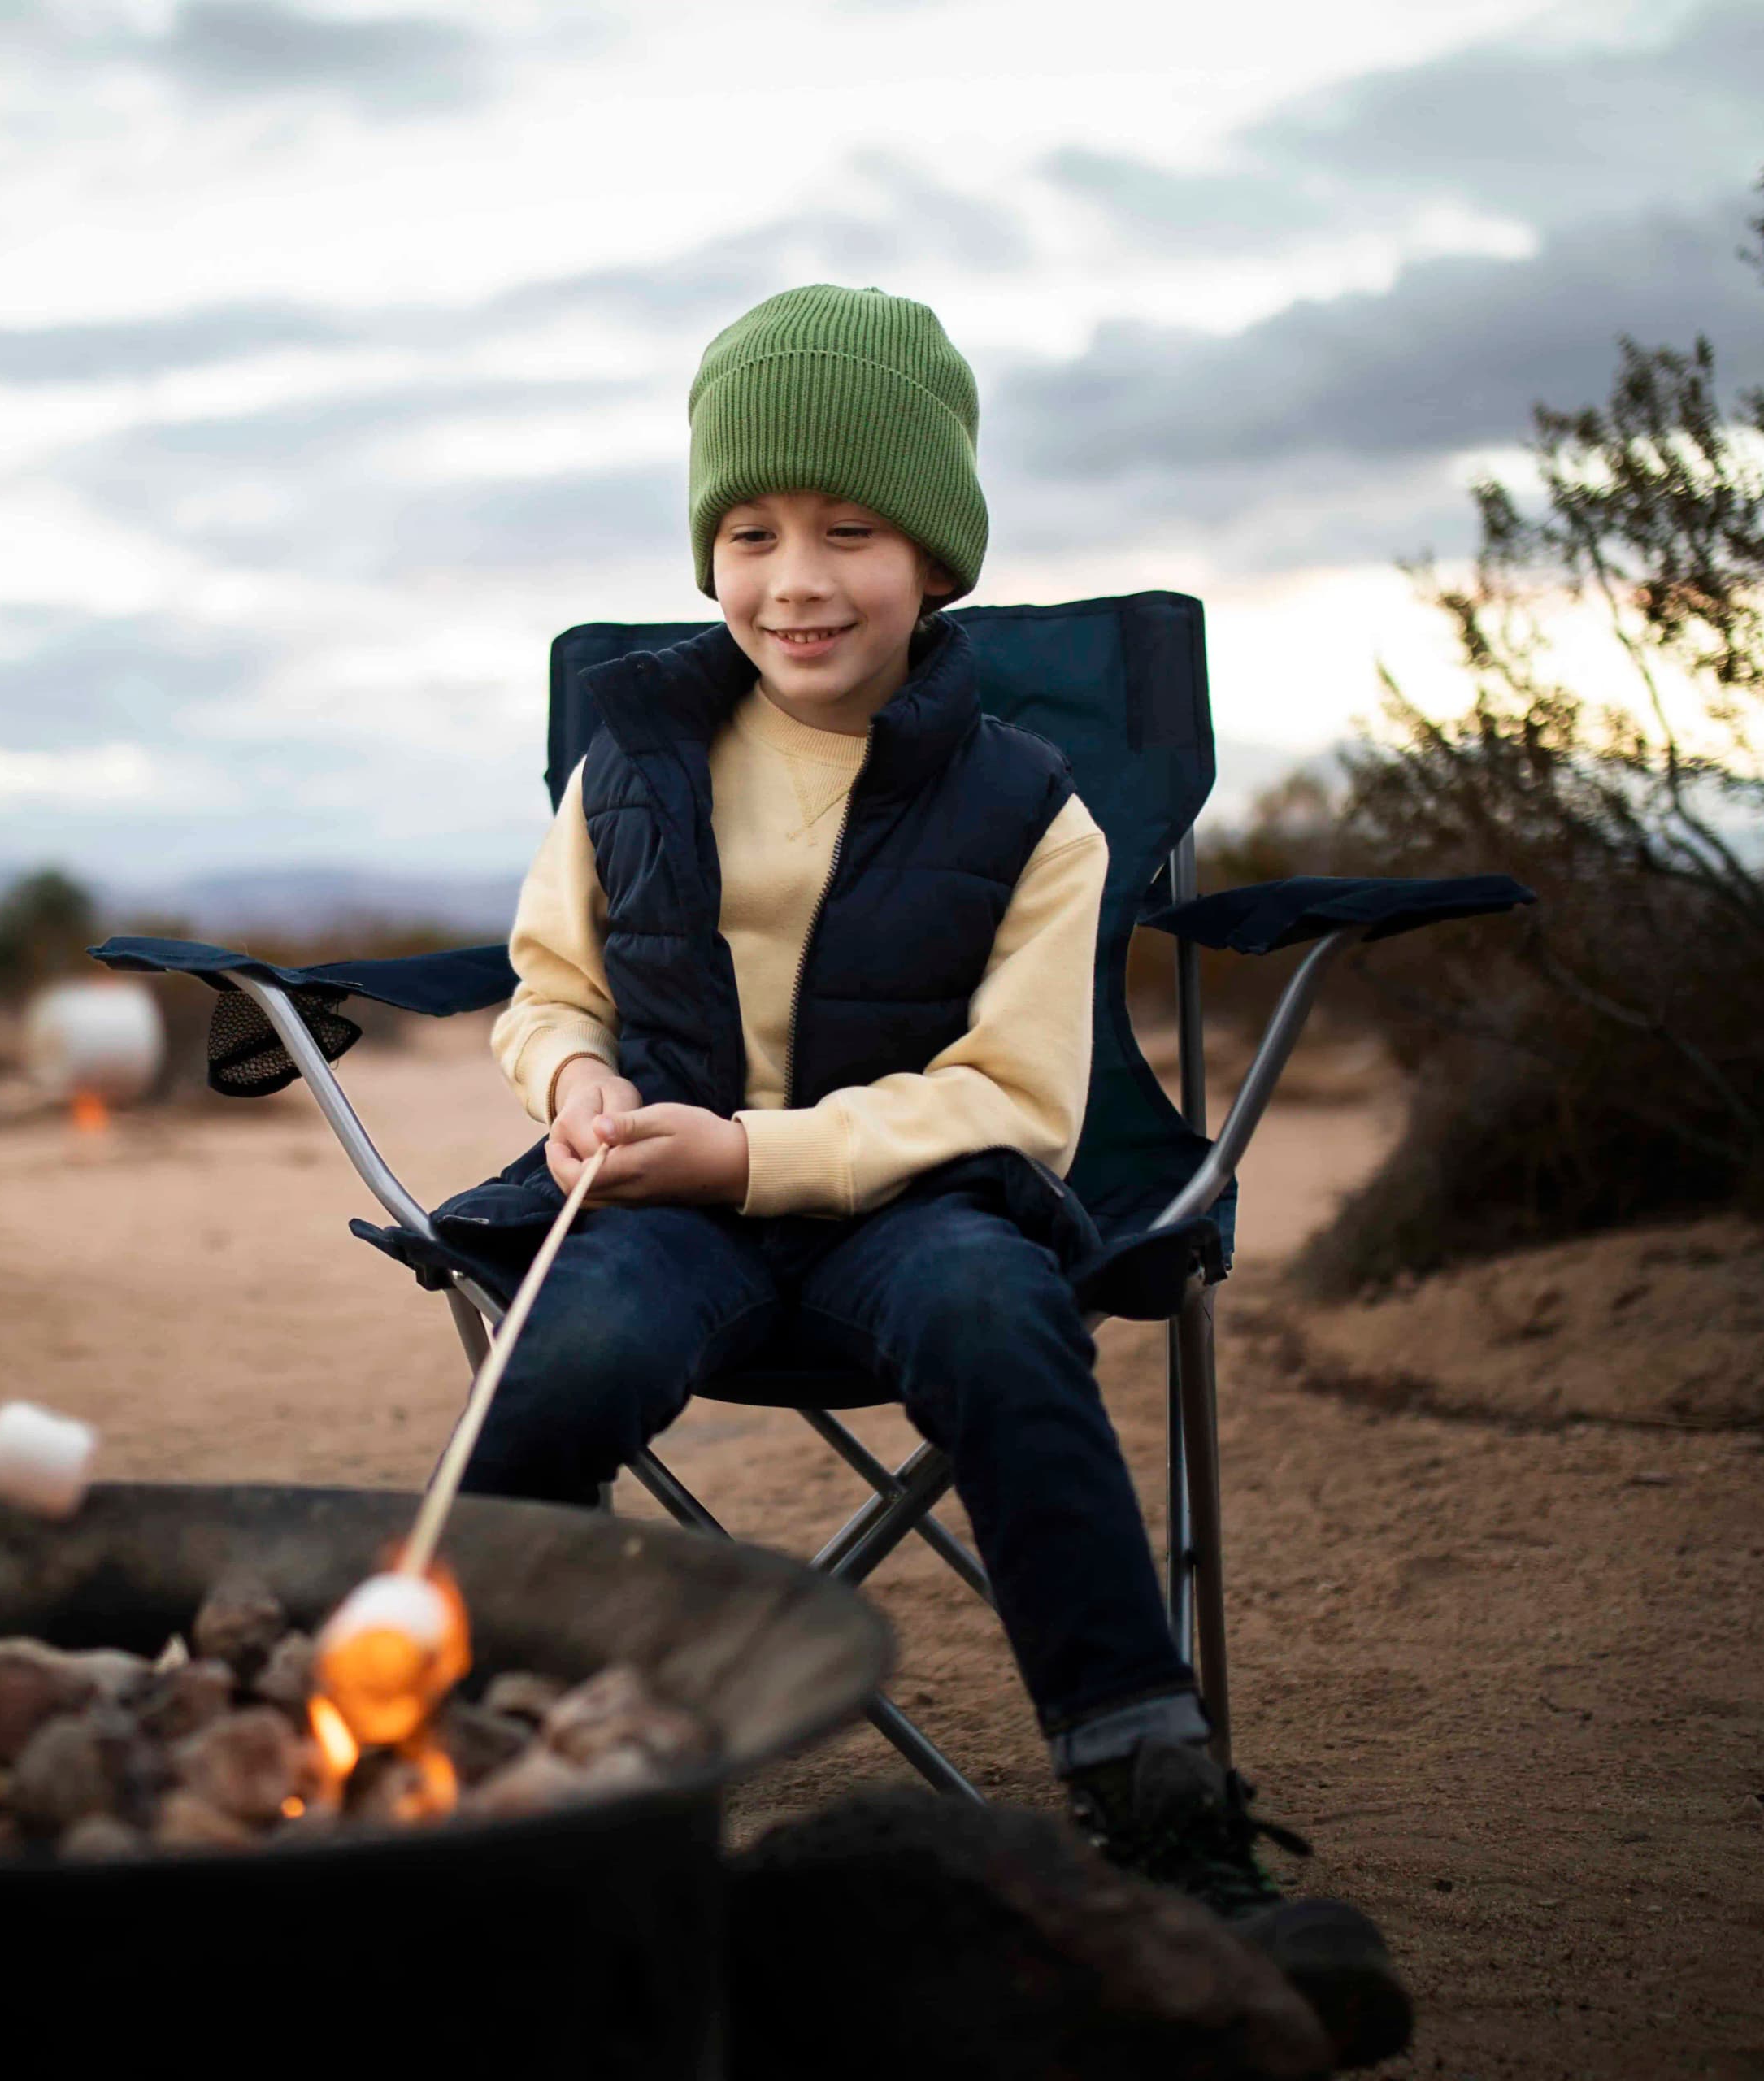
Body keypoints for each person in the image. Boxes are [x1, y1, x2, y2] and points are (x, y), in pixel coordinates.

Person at [435, 284, 1410, 2065]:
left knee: (995, 1305)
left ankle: (1169, 1819)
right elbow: (549, 983)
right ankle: (505, 1807)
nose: (794, 576)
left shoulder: (1035, 801)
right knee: (555, 1355)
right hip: (669, 1207)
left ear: (937, 556)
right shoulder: (630, 753)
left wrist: (766, 1150)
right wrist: (573, 1075)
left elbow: (1018, 1099)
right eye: (750, 531)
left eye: (849, 529)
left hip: (919, 1208)